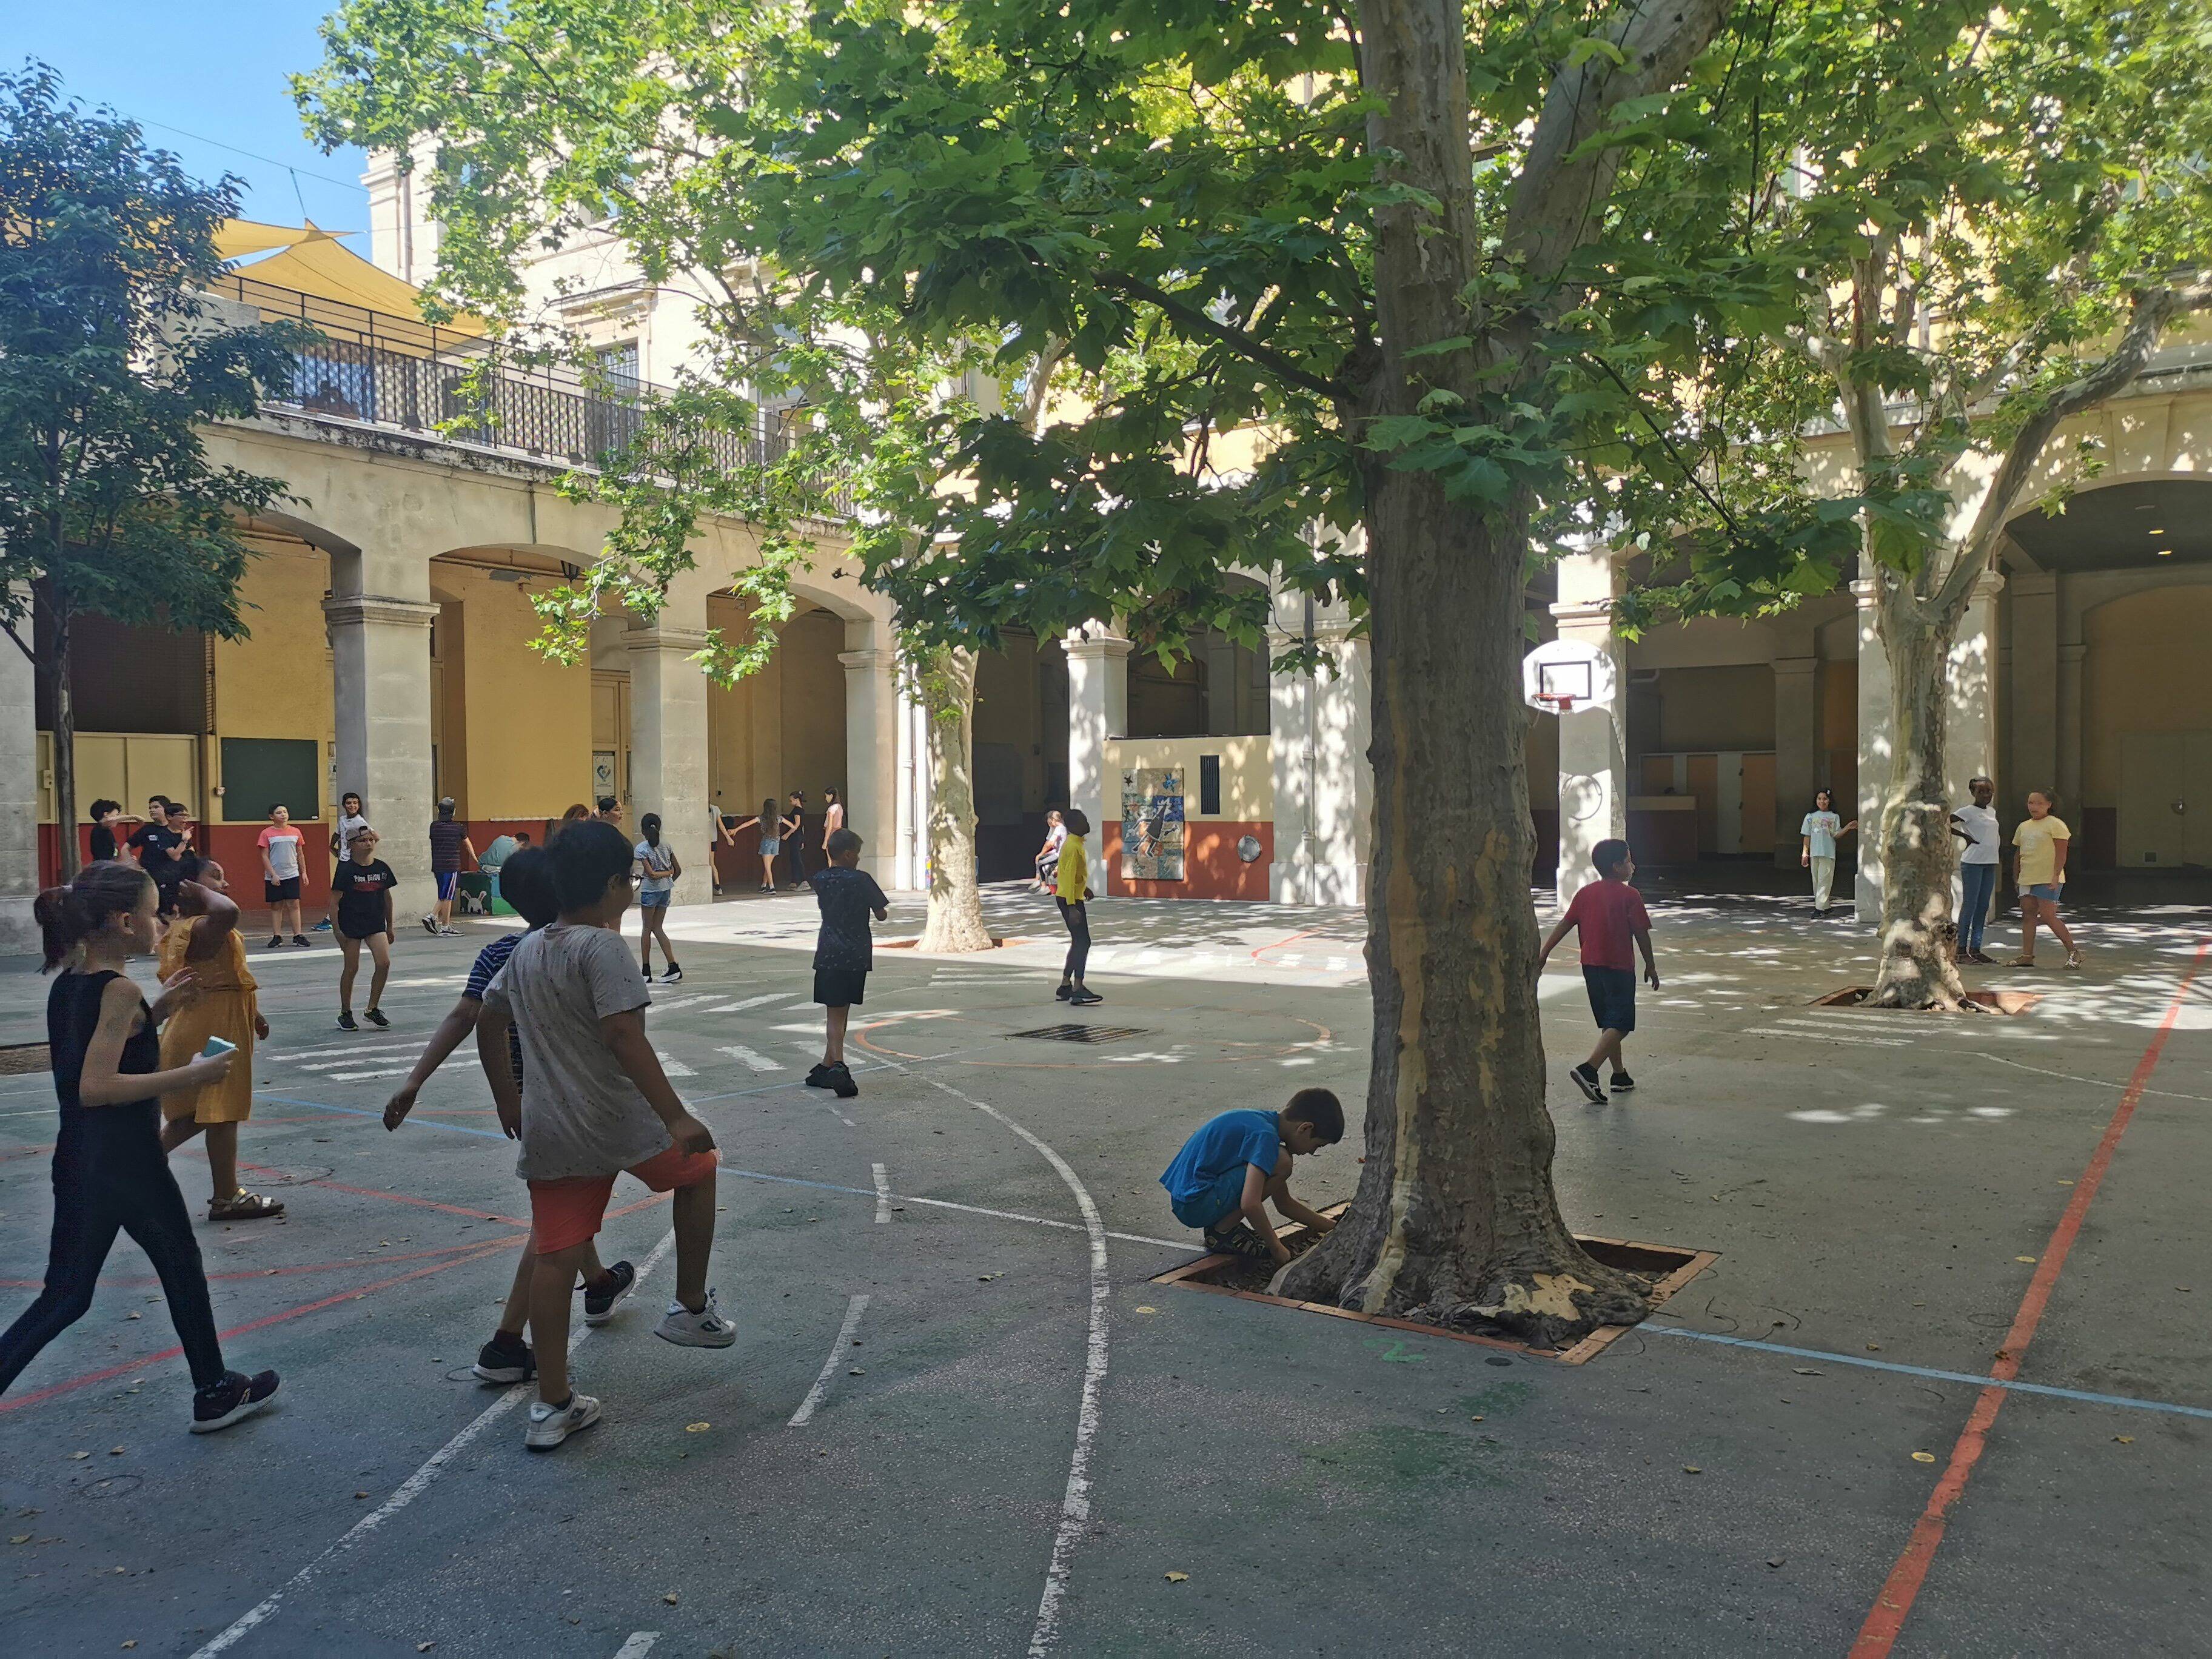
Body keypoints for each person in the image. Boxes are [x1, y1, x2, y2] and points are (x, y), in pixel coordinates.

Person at [474, 819, 732, 1450]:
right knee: (700, 1170)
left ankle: (553, 1405)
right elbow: (623, 1035)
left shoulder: (529, 949)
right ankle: (691, 1306)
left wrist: (508, 1096)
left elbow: (488, 1017)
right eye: (632, 879)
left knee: (557, 1255)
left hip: (553, 1127)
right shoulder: (603, 948)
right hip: (620, 1121)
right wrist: (676, 1115)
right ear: (615, 883)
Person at [0, 862, 279, 1432]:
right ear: (126, 922)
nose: (162, 923)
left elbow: (98, 1051)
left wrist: (159, 1011)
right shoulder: (120, 990)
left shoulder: (71, 985)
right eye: (154, 913)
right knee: (180, 1266)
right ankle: (212, 1390)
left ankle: (214, 1388)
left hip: (80, 1160)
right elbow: (96, 1087)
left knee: (68, 1295)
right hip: (126, 1161)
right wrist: (191, 1077)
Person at [382, 846, 636, 1386]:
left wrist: (416, 1080)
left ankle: (598, 1282)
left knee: (564, 1198)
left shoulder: (501, 951)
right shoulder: (587, 951)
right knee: (554, 1222)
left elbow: (465, 1016)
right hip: (573, 1101)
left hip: (532, 1100)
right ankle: (504, 1345)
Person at [155, 863, 283, 1222]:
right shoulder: (200, 926)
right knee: (221, 1112)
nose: (224, 883)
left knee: (200, 1113)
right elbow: (228, 910)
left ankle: (134, 1163)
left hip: (214, 1020)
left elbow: (228, 977)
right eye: (215, 877)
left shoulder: (193, 927)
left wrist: (253, 1013)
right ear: (190, 888)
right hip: (213, 1030)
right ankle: (227, 1196)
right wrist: (197, 890)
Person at [1535, 839, 1658, 1104]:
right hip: (1619, 968)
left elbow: (1565, 924)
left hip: (1591, 967)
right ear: (1617, 867)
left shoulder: (1586, 893)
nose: (1633, 866)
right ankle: (1589, 1069)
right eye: (1628, 860)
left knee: (1608, 1020)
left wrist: (1544, 952)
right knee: (1621, 1023)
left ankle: (1619, 1075)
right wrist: (1651, 964)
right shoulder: (1630, 896)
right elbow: (1641, 934)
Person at [1159, 1088, 1344, 1264]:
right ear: (1305, 1128)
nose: (1312, 1152)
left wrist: (1334, 1228)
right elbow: (1250, 1204)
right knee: (1283, 1161)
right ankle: (1222, 1231)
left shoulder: (1261, 1123)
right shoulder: (1266, 1138)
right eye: (1318, 1145)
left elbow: (1284, 1204)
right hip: (1196, 1204)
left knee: (1280, 1160)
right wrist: (1277, 1248)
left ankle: (1222, 1225)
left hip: (1191, 1200)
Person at [806, 828, 889, 1102]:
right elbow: (882, 915)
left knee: (837, 1010)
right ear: (849, 854)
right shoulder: (862, 880)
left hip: (828, 949)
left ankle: (827, 1064)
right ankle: (839, 1065)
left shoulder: (820, 879)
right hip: (856, 952)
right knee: (840, 1012)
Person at [330, 826, 398, 1031]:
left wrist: (390, 925)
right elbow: (333, 903)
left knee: (384, 963)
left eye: (370, 840)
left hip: (375, 923)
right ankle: (345, 1012)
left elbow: (387, 897)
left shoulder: (382, 868)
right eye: (362, 841)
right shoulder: (345, 870)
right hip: (351, 924)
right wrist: (337, 931)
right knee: (351, 968)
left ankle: (372, 1009)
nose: (368, 843)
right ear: (351, 846)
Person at [2008, 789, 2080, 970]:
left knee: (2048, 916)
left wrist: (2055, 876)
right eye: (2031, 803)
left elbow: (2062, 853)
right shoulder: (2023, 827)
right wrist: (2016, 877)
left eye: (2039, 803)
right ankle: (2027, 956)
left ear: (2049, 805)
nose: (2034, 807)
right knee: (2028, 915)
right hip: (2027, 878)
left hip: (2047, 878)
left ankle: (2074, 952)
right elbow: (2018, 853)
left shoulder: (2056, 825)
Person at [1949, 776, 2001, 965]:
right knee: (1970, 905)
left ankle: (1976, 949)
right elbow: (1945, 822)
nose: (1986, 795)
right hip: (1973, 863)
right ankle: (1960, 950)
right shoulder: (1967, 811)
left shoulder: (1991, 812)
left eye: (1989, 791)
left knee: (1983, 907)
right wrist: (1965, 836)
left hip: (1990, 862)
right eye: (1981, 791)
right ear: (1973, 793)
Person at [1053, 808, 1101, 1005]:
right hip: (1070, 900)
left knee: (1078, 941)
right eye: (1082, 821)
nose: (1086, 824)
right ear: (1072, 826)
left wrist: (1085, 888)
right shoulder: (1073, 846)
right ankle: (1078, 987)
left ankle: (1065, 986)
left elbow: (1070, 873)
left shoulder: (1074, 844)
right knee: (1084, 942)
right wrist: (1073, 906)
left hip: (1069, 896)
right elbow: (1067, 875)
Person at [633, 813, 683, 983]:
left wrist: (661, 876)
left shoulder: (641, 849)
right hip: (665, 890)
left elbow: (652, 874)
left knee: (646, 929)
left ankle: (646, 971)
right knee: (658, 928)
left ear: (643, 830)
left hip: (650, 892)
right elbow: (678, 870)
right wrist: (668, 877)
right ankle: (673, 965)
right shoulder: (667, 846)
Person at [420, 797, 478, 937]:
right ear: (453, 812)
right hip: (451, 866)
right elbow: (467, 844)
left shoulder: (433, 826)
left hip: (437, 866)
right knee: (448, 895)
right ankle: (434, 917)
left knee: (444, 894)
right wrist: (475, 858)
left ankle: (445, 924)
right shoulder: (458, 828)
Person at [1798, 789, 1858, 916]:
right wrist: (1805, 853)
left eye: (1825, 799)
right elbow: (1807, 836)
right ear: (1816, 800)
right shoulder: (1810, 817)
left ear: (1829, 801)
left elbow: (1836, 835)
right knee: (1816, 881)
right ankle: (1825, 906)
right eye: (1819, 799)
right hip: (1815, 853)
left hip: (1828, 853)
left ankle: (1819, 909)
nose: (1822, 801)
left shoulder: (1834, 817)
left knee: (1824, 881)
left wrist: (1848, 827)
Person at [258, 804, 310, 948]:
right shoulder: (266, 833)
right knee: (276, 906)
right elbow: (264, 856)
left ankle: (298, 935)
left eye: (285, 812)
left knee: (294, 904)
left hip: (292, 874)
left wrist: (303, 872)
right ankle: (277, 936)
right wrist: (273, 874)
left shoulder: (296, 832)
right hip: (274, 876)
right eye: (279, 813)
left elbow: (300, 854)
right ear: (272, 817)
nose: (283, 815)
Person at [319, 792, 370, 933]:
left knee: (343, 892)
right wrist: (332, 847)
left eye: (355, 803)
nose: (352, 806)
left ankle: (331, 920)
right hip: (343, 861)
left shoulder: (360, 822)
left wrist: (361, 853)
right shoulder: (342, 820)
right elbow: (337, 834)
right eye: (349, 803)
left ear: (359, 805)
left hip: (353, 863)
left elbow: (373, 837)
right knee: (341, 891)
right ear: (344, 805)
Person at [127, 798, 186, 919]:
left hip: (171, 879)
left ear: (167, 810)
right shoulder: (147, 830)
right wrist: (132, 865)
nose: (152, 810)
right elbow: (126, 848)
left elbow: (186, 854)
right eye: (150, 808)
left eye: (156, 807)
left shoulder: (178, 831)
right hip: (150, 878)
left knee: (170, 914)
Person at [727, 798, 789, 894]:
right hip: (776, 842)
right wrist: (789, 833)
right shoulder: (779, 818)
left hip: (766, 842)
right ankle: (764, 886)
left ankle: (772, 887)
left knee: (767, 866)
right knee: (768, 865)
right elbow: (793, 826)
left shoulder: (761, 818)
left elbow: (747, 824)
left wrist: (736, 830)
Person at [87, 799, 133, 864]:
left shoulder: (108, 832)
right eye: (116, 815)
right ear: (106, 815)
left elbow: (115, 851)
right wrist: (134, 817)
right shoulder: (99, 829)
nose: (118, 819)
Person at [1033, 808, 1067, 894]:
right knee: (1042, 860)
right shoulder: (1064, 827)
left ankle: (1044, 886)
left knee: (1040, 863)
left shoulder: (1059, 828)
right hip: (1060, 853)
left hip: (1058, 855)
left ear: (1053, 820)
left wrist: (1041, 853)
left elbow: (1050, 843)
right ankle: (1040, 881)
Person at [706, 802, 736, 896]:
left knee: (707, 863)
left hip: (703, 840)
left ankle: (712, 886)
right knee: (712, 863)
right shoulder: (715, 808)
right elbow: (721, 825)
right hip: (713, 839)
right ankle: (717, 886)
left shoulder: (700, 807)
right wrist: (728, 837)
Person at [783, 790, 809, 888]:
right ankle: (794, 881)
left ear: (797, 800)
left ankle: (804, 880)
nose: (790, 803)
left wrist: (787, 834)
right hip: (798, 837)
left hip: (795, 837)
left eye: (791, 801)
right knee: (793, 858)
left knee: (797, 859)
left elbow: (797, 825)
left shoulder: (797, 810)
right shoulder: (800, 810)